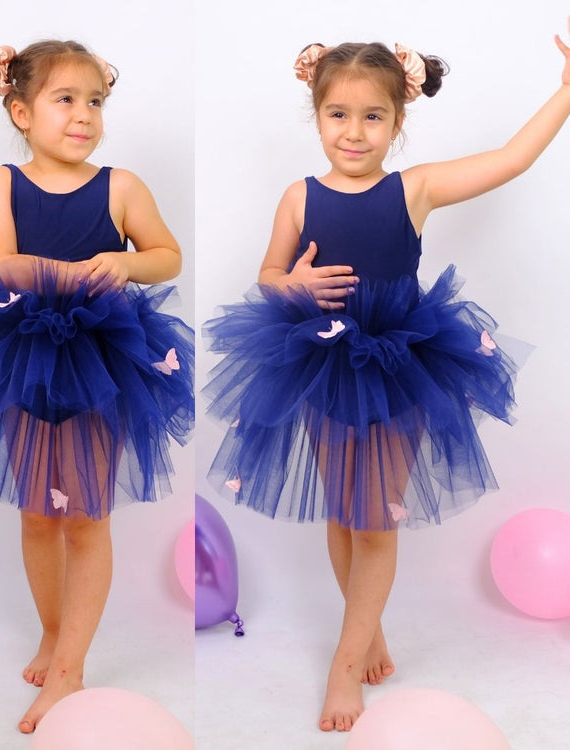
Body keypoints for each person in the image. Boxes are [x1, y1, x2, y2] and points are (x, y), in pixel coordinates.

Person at [203, 24, 570, 733]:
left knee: (376, 518)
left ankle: (346, 664)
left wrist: (565, 94)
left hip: (400, 361)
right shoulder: (298, 196)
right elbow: (268, 277)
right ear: (316, 115)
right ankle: (366, 634)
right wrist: (296, 285)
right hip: (317, 356)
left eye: (373, 116)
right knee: (344, 510)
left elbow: (513, 160)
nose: (354, 131)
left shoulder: (416, 187)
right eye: (338, 114)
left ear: (399, 123)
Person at [0, 40, 194, 733]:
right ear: (22, 111)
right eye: (65, 100)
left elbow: (166, 254)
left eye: (95, 101)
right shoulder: (1, 182)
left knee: (86, 513)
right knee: (38, 509)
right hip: (21, 349)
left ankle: (70, 669)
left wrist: (121, 266)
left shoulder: (120, 186)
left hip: (103, 353)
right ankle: (55, 629)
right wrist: (74, 271)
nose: (83, 115)